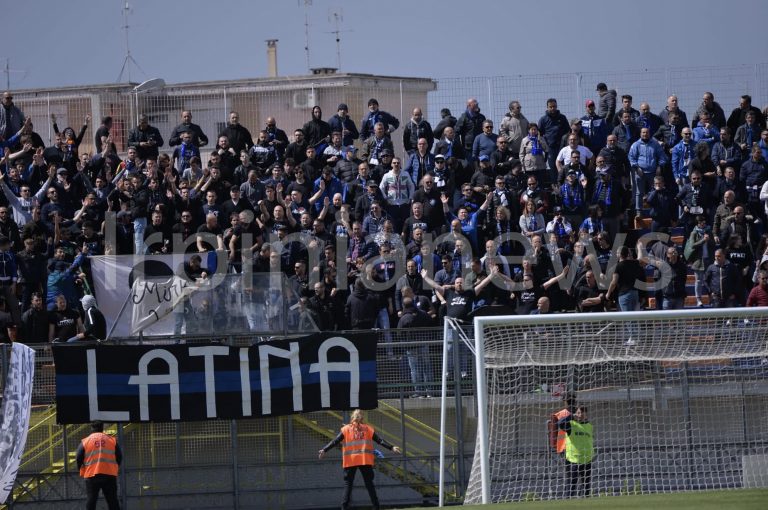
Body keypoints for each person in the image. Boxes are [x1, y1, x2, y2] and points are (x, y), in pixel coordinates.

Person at [318, 409, 402, 510]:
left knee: (348, 485)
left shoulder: (345, 429)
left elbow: (335, 441)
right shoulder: (367, 429)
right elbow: (380, 440)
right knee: (369, 485)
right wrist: (392, 447)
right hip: (364, 460)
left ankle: (344, 508)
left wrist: (324, 450)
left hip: (350, 461)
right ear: (362, 418)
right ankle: (376, 507)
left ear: (352, 417)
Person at [76, 421, 122, 510]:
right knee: (112, 500)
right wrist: (115, 468)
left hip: (91, 475)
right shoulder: (112, 440)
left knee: (91, 500)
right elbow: (119, 456)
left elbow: (78, 457)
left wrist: (80, 469)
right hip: (109, 475)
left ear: (91, 428)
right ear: (102, 428)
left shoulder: (85, 441)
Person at [557, 406, 594, 499]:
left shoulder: (589, 426)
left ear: (586, 415)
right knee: (572, 484)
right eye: (578, 413)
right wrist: (572, 416)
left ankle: (586, 501)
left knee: (586, 485)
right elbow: (560, 423)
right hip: (574, 460)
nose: (580, 415)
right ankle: (567, 502)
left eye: (582, 413)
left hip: (587, 459)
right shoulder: (571, 425)